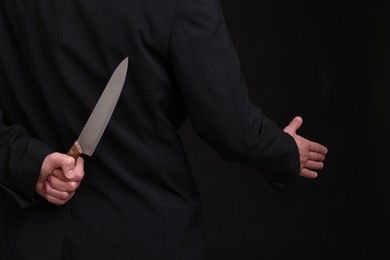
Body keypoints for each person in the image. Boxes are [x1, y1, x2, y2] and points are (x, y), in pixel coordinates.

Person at [0, 0, 327, 259]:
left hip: (23, 240)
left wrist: (29, 162)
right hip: (140, 235)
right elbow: (227, 125)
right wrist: (282, 150)